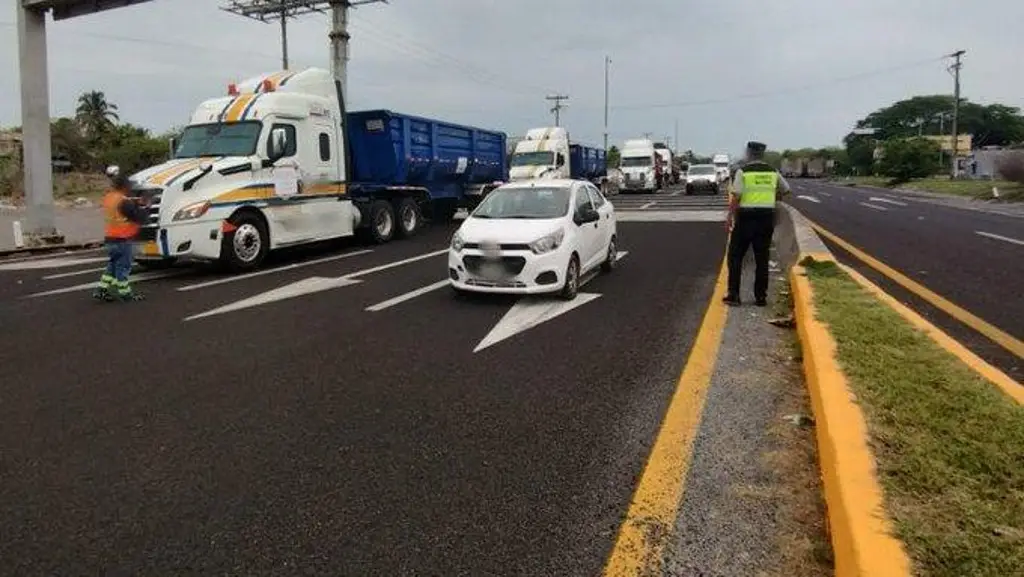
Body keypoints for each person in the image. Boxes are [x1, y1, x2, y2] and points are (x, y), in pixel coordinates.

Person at [724, 141, 791, 307]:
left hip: (746, 217)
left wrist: (729, 216)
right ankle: (761, 297)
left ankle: (734, 295)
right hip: (766, 218)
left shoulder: (743, 172)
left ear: (749, 154)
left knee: (735, 256)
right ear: (762, 154)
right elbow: (786, 190)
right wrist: (773, 199)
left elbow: (737, 196)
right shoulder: (772, 171)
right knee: (762, 258)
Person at [93, 173, 149, 302]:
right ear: (124, 186)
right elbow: (138, 217)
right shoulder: (124, 201)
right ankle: (126, 294)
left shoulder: (109, 198)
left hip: (110, 238)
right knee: (123, 267)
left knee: (112, 266)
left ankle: (101, 290)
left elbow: (122, 209)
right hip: (122, 239)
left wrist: (135, 202)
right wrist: (145, 207)